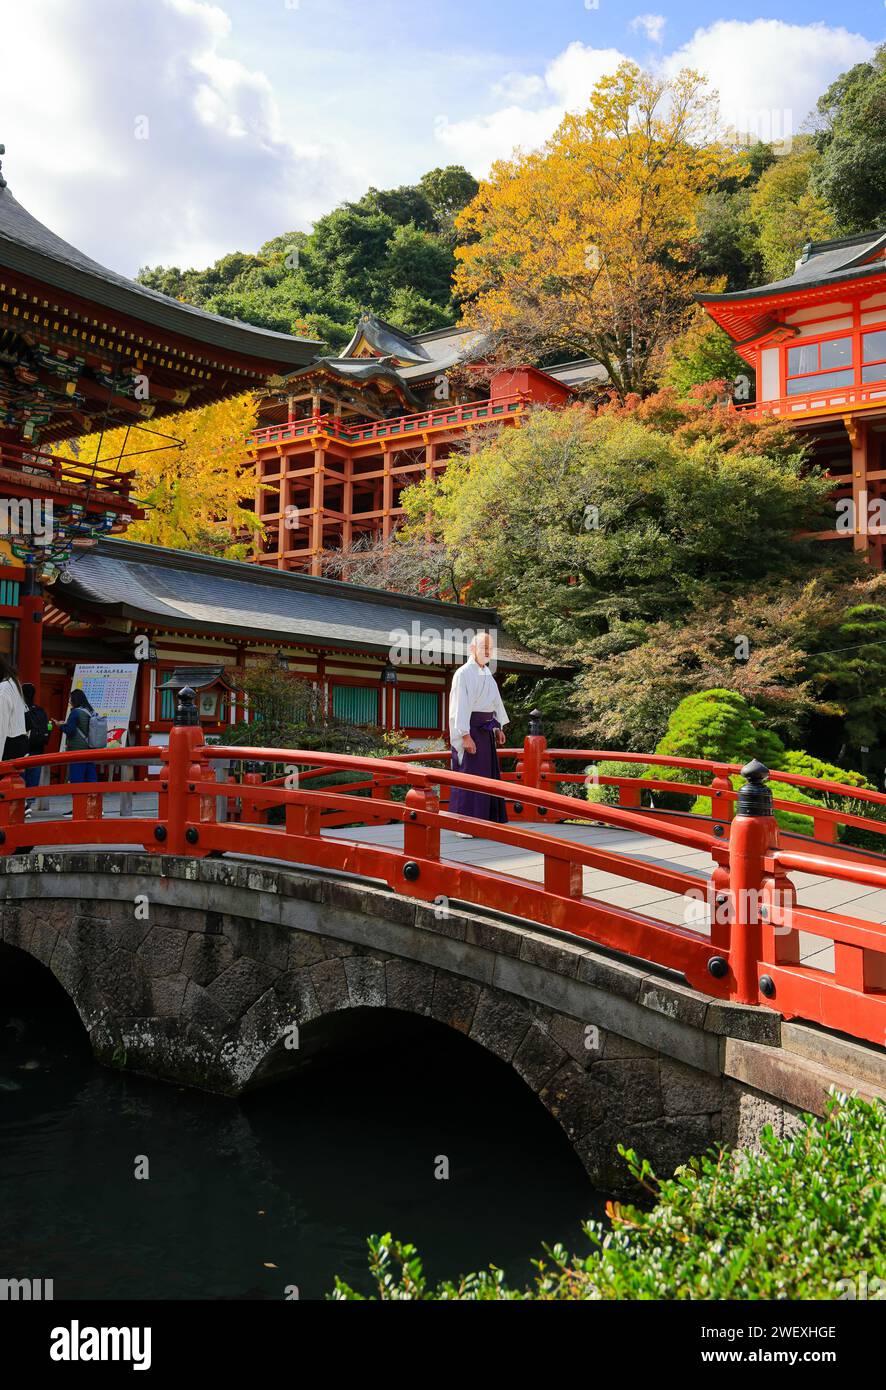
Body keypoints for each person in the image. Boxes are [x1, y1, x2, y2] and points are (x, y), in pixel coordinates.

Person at [448, 631, 509, 825]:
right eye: (484, 648)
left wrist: (498, 728)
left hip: (485, 733)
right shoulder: (463, 674)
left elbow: (495, 704)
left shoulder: (487, 674)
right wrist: (464, 735)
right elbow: (460, 706)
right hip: (470, 731)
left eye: (490, 649)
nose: (488, 652)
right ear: (473, 649)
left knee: (487, 777)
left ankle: (486, 820)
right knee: (468, 775)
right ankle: (463, 824)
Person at [21, 682, 52, 811]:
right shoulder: (40, 711)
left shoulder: (21, 710)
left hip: (23, 748)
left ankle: (21, 802)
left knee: (20, 775)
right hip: (38, 748)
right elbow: (47, 727)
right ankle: (29, 802)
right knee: (34, 774)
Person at [60, 688, 98, 783]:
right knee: (91, 777)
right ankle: (93, 796)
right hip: (90, 748)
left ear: (74, 699)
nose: (69, 700)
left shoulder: (75, 712)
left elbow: (70, 731)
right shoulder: (90, 711)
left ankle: (79, 798)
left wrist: (60, 726)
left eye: (70, 698)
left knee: (77, 778)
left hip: (77, 750)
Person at [0, 656, 29, 763]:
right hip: (19, 746)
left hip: (7, 748)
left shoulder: (4, 689)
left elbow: (1, 728)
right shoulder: (13, 684)